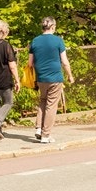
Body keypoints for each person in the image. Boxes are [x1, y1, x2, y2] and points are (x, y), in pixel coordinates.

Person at [28, 16, 72, 144]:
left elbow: (30, 63)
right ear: (53, 27)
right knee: (51, 105)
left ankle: (38, 128)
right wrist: (70, 75)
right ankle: (46, 135)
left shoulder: (35, 41)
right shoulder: (58, 41)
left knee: (43, 100)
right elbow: (64, 61)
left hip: (41, 77)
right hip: (55, 77)